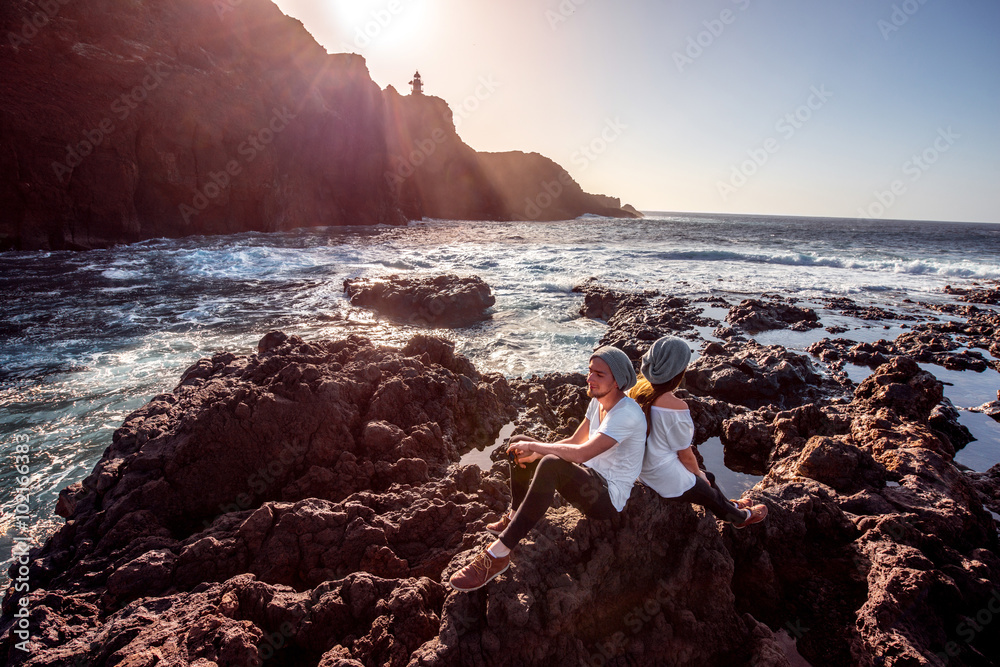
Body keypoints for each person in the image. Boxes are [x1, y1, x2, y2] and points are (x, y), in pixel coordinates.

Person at [449, 345, 647, 592]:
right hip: (587, 479)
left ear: (617, 381)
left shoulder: (626, 414)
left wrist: (537, 447)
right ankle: (513, 518)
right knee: (517, 444)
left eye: (599, 374)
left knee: (550, 463)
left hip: (606, 499)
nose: (590, 378)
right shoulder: (597, 402)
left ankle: (498, 555)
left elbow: (582, 453)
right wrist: (532, 451)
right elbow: (575, 441)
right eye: (590, 371)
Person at [631, 335, 767, 527]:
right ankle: (740, 518)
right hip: (664, 479)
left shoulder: (635, 392)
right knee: (709, 492)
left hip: (643, 470)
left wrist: (702, 475)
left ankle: (731, 505)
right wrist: (698, 475)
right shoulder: (676, 407)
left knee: (709, 477)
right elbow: (685, 455)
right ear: (679, 371)